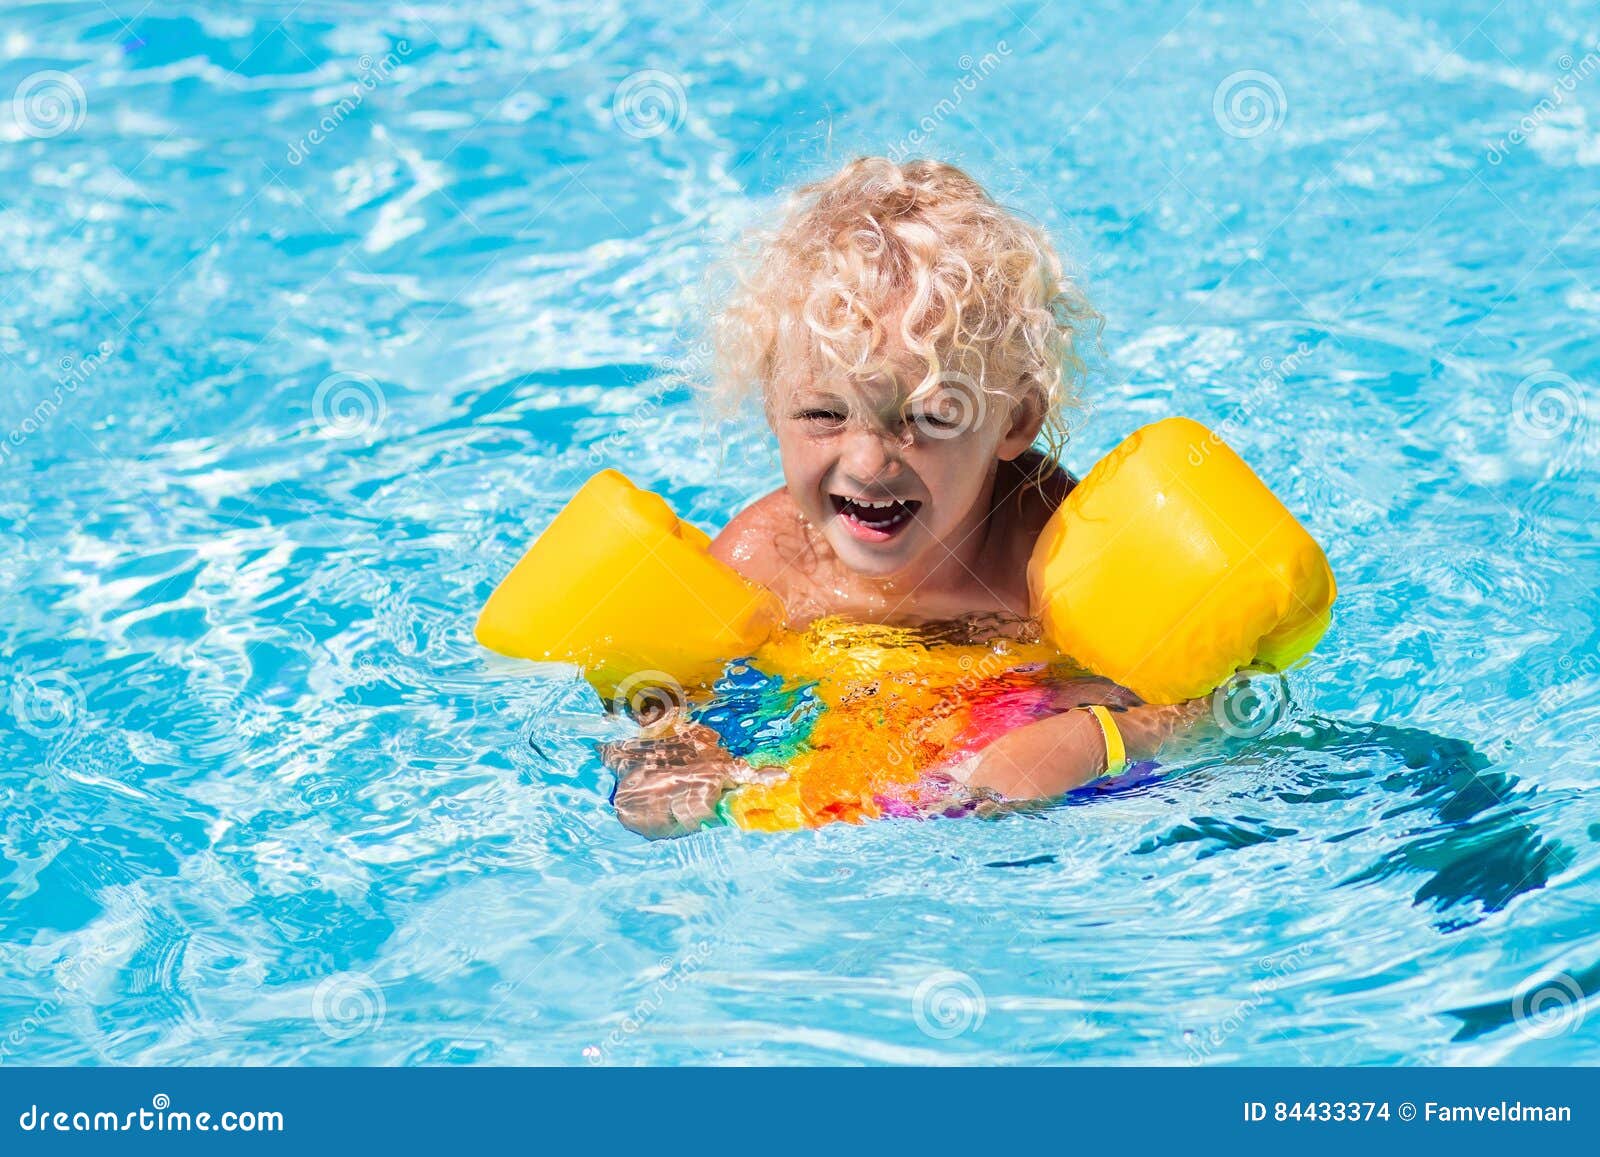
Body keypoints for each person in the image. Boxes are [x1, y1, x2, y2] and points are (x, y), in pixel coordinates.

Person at [608, 157, 1203, 837]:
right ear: (773, 407)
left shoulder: (1058, 553)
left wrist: (1094, 738)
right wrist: (669, 752)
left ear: (1013, 421)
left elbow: (1212, 701)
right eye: (823, 414)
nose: (867, 462)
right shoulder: (761, 564)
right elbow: (665, 700)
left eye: (927, 416)